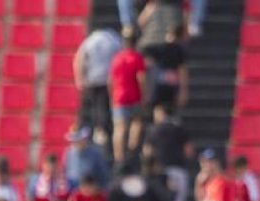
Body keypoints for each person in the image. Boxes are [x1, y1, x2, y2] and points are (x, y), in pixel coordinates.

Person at [74, 27, 120, 149]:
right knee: (103, 108)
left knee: (94, 108)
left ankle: (95, 133)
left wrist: (80, 79)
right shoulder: (114, 40)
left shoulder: (89, 41)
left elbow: (80, 58)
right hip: (106, 80)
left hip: (92, 80)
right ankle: (101, 132)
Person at [109, 27, 146, 164]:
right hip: (134, 95)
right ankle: (132, 148)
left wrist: (111, 96)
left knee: (119, 127)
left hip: (118, 96)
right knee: (137, 122)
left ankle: (118, 157)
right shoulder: (137, 58)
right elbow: (141, 78)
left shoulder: (117, 59)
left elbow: (110, 80)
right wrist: (144, 95)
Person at [142, 24, 186, 110]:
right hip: (171, 82)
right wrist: (183, 90)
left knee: (158, 108)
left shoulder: (156, 47)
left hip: (158, 82)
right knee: (168, 108)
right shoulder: (178, 49)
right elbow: (182, 70)